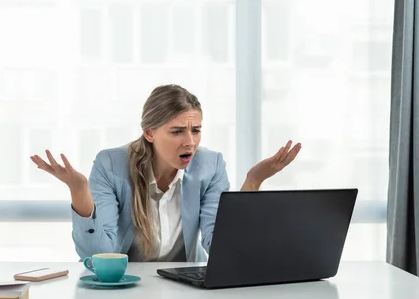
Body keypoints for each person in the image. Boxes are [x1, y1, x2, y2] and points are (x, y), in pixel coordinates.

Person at [30, 84, 301, 262]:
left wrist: (253, 181)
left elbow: (224, 249)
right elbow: (98, 256)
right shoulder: (110, 165)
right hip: (126, 291)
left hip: (187, 291)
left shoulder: (210, 165)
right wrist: (79, 191)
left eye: (196, 130)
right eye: (177, 131)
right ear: (149, 132)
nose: (190, 142)